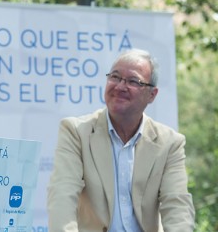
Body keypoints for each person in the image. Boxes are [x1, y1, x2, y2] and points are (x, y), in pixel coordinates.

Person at [47, 49, 195, 232]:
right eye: (115, 77)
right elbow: (62, 196)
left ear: (152, 95)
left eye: (133, 81)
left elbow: (177, 206)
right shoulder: (76, 132)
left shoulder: (170, 143)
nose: (119, 86)